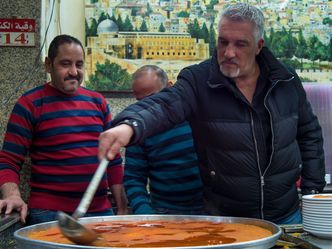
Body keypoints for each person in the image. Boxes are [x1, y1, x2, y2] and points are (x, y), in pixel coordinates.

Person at [98, 3, 326, 224]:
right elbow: (166, 104)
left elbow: (309, 135)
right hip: (228, 221)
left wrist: (312, 193)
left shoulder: (285, 79)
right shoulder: (199, 80)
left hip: (287, 215)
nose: (228, 52)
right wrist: (129, 125)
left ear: (259, 46)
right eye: (223, 42)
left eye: (240, 44)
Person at [0, 34, 128, 225]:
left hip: (100, 212)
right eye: (65, 64)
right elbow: (9, 159)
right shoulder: (30, 104)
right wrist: (12, 195)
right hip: (49, 214)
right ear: (48, 65)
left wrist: (122, 207)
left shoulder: (98, 102)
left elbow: (113, 159)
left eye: (79, 64)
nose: (74, 72)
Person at [124, 65, 204, 215]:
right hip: (164, 213)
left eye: (153, 97)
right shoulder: (139, 130)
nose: (147, 106)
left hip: (207, 210)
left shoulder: (196, 117)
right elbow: (133, 179)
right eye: (140, 101)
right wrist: (146, 215)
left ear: (170, 87)